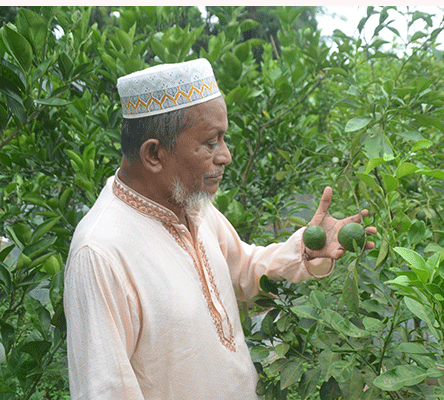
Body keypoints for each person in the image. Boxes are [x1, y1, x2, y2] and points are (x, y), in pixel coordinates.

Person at [64, 58, 376, 399]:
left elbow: (244, 270)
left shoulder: (192, 207)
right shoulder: (100, 253)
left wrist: (306, 250)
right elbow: (106, 390)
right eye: (211, 142)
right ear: (154, 154)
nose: (225, 156)